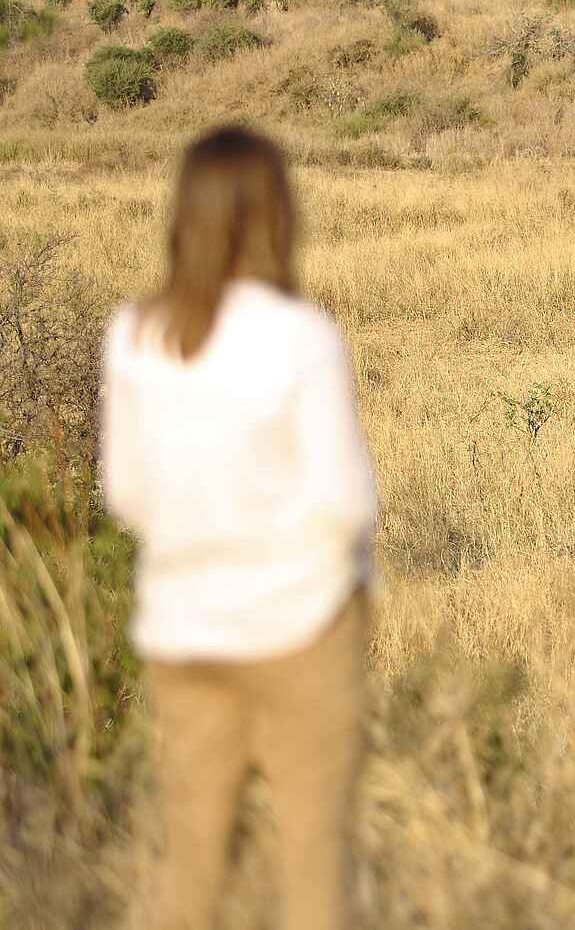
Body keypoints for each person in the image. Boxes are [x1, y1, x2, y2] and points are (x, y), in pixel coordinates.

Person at [100, 124, 378, 930]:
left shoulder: (136, 334)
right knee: (314, 869)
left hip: (183, 631)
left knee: (189, 866)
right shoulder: (303, 336)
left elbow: (124, 492)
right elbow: (347, 502)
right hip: (300, 629)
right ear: (277, 214)